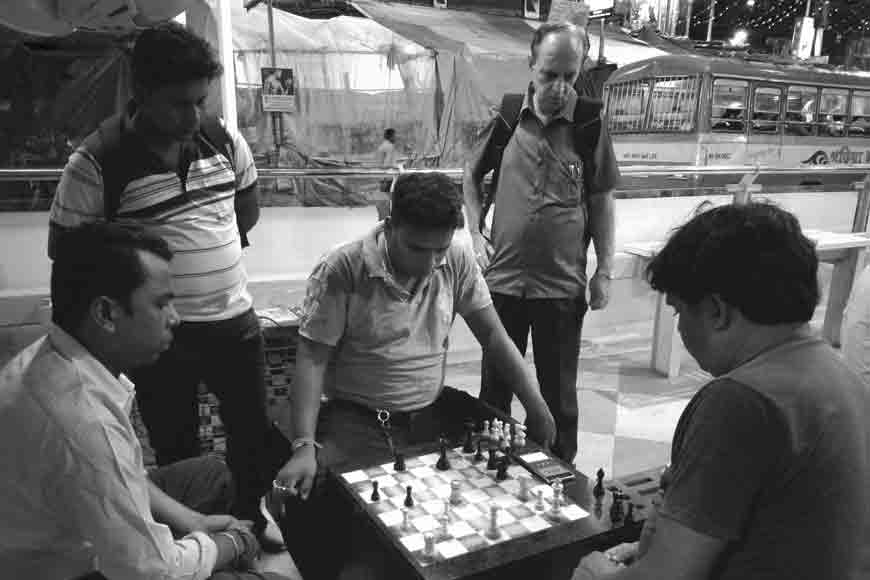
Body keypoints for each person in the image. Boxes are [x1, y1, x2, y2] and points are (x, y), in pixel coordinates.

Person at [47, 23, 286, 546]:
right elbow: (71, 259)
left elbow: (245, 210)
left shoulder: (223, 138)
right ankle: (188, 530)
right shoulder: (98, 162)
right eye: (180, 103)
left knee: (252, 430)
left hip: (235, 322)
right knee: (177, 438)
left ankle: (251, 517)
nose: (193, 116)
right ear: (142, 94)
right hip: (160, 335)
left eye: (201, 101)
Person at [271, 172, 557, 579]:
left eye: (439, 249)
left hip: (431, 409)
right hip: (357, 415)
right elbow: (311, 360)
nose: (430, 263)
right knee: (328, 503)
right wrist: (303, 444)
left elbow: (494, 336)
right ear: (390, 225)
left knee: (506, 468)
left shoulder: (456, 259)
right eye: (417, 248)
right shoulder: (343, 268)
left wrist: (537, 405)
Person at [576, 202, 870, 580]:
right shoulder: (840, 373)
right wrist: (656, 548)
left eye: (679, 311)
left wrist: (598, 572)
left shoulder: (739, 401)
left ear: (717, 311)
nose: (680, 328)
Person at [0, 223, 286, 580]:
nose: (175, 318)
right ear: (106, 313)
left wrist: (194, 522)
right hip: (62, 568)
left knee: (209, 474)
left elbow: (126, 474)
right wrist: (232, 544)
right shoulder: (83, 422)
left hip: (57, 528)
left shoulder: (48, 356)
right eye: (161, 303)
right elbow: (151, 571)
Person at [464, 22, 618, 463]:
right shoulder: (508, 118)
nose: (560, 86)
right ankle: (490, 469)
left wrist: (603, 270)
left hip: (561, 289)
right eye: (550, 74)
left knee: (558, 395)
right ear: (531, 65)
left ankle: (561, 480)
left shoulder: (589, 124)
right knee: (495, 388)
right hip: (503, 284)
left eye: (570, 75)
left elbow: (603, 200)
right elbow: (470, 179)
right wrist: (474, 234)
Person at [373, 128, 400, 221]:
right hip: (387, 177)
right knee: (388, 198)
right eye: (395, 135)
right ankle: (386, 220)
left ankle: (383, 218)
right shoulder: (390, 147)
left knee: (385, 198)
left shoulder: (382, 146)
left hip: (382, 176)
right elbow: (387, 163)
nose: (396, 137)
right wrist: (396, 167)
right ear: (391, 136)